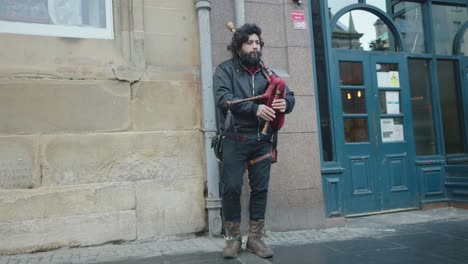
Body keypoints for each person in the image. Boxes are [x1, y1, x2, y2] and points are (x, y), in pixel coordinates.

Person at [213, 23, 295, 259]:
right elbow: (223, 99)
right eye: (250, 42)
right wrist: (255, 109)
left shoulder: (267, 74)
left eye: (257, 42)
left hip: (261, 140)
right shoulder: (225, 70)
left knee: (260, 190)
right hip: (234, 138)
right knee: (231, 188)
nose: (255, 46)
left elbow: (289, 95)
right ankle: (232, 238)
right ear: (238, 46)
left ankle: (255, 239)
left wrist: (285, 104)